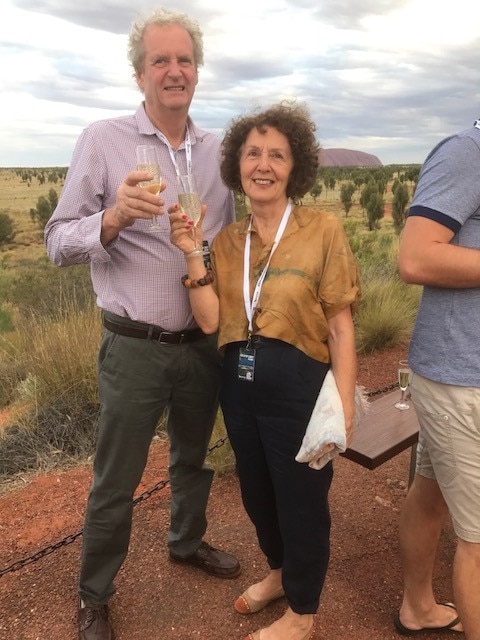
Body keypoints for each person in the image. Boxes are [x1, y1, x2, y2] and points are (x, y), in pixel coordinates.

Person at [44, 8, 240, 640]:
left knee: (193, 457)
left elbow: (231, 240)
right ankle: (94, 594)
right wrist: (111, 220)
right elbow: (55, 242)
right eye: (161, 60)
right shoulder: (103, 141)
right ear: (140, 74)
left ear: (197, 71)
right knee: (117, 479)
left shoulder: (217, 151)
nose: (174, 70)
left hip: (201, 342)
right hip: (133, 346)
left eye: (184, 60)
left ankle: (186, 541)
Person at [169, 101, 360, 640]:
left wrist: (344, 405)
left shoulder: (322, 230)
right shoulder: (228, 243)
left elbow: (342, 327)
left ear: (293, 168)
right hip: (240, 384)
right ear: (237, 165)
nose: (264, 164)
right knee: (257, 492)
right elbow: (209, 320)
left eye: (277, 155)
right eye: (253, 153)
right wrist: (190, 253)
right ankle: (278, 573)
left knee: (302, 501)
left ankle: (303, 611)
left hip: (300, 386)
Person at [396, 118, 480, 638]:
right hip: (461, 378)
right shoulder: (466, 153)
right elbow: (415, 256)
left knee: (430, 493)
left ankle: (417, 608)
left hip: (463, 372)